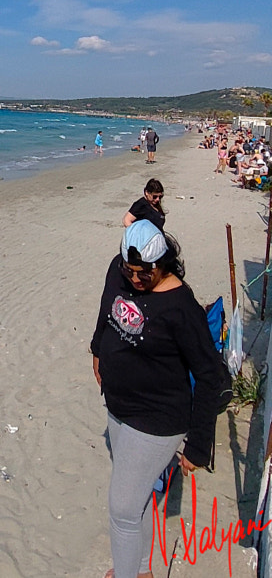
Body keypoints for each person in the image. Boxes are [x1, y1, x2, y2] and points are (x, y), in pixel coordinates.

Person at [90, 221, 229, 578]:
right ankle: (140, 570)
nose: (135, 279)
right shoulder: (120, 272)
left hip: (157, 418)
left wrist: (198, 447)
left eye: (143, 273)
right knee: (138, 500)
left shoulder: (181, 308)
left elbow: (211, 375)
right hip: (120, 409)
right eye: (130, 270)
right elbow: (109, 305)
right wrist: (97, 349)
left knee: (121, 509)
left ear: (162, 263)